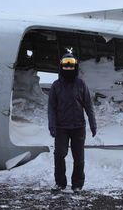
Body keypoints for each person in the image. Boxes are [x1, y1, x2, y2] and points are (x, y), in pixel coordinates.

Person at [48, 53, 97, 192]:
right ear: (61, 65)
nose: (68, 66)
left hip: (78, 127)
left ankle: (77, 185)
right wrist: (52, 125)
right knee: (59, 154)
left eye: (71, 63)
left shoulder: (81, 84)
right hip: (61, 127)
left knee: (79, 157)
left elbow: (88, 105)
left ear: (75, 66)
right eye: (65, 63)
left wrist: (93, 124)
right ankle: (60, 183)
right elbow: (51, 108)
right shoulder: (56, 86)